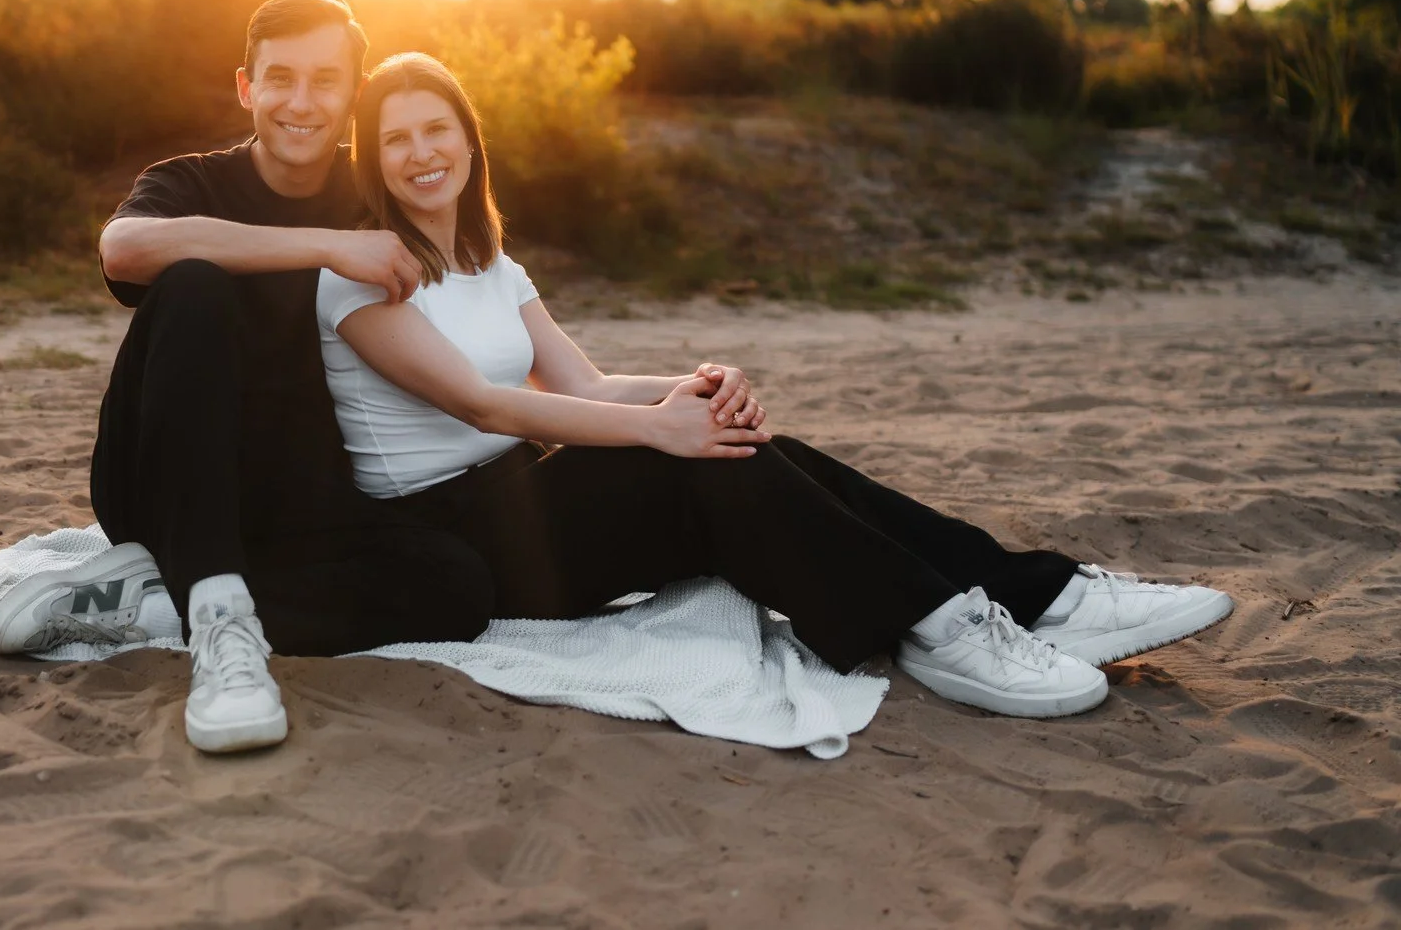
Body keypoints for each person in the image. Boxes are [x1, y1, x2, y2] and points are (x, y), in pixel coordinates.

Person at [312, 51, 1235, 718]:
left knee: (742, 442)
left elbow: (586, 382)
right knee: (699, 454)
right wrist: (660, 432)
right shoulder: (355, 278)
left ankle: (1047, 596)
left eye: (437, 128)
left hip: (523, 503)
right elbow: (481, 405)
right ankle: (950, 631)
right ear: (373, 159)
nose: (421, 151)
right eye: (396, 138)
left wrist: (696, 384)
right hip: (449, 541)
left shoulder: (492, 263)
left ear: (468, 140)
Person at [0, 0, 497, 754]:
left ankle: (156, 598)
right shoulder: (191, 181)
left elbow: (472, 301)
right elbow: (122, 251)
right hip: (164, 480)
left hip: (299, 492)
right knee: (194, 284)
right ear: (245, 87)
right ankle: (219, 624)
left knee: (457, 586)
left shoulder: (376, 187)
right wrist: (327, 245)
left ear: (354, 94)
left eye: (326, 80)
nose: (300, 101)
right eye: (279, 78)